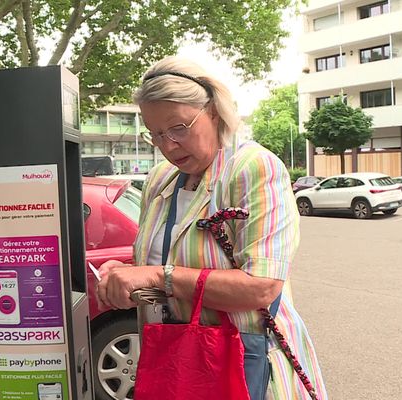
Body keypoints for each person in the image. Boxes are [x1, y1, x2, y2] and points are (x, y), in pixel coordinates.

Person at [96, 56, 328, 399]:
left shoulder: (252, 167)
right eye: (155, 133)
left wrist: (157, 276)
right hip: (176, 363)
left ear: (213, 112)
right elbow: (168, 265)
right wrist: (127, 274)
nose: (167, 145)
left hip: (243, 364)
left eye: (178, 128)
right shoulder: (161, 180)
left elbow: (261, 286)